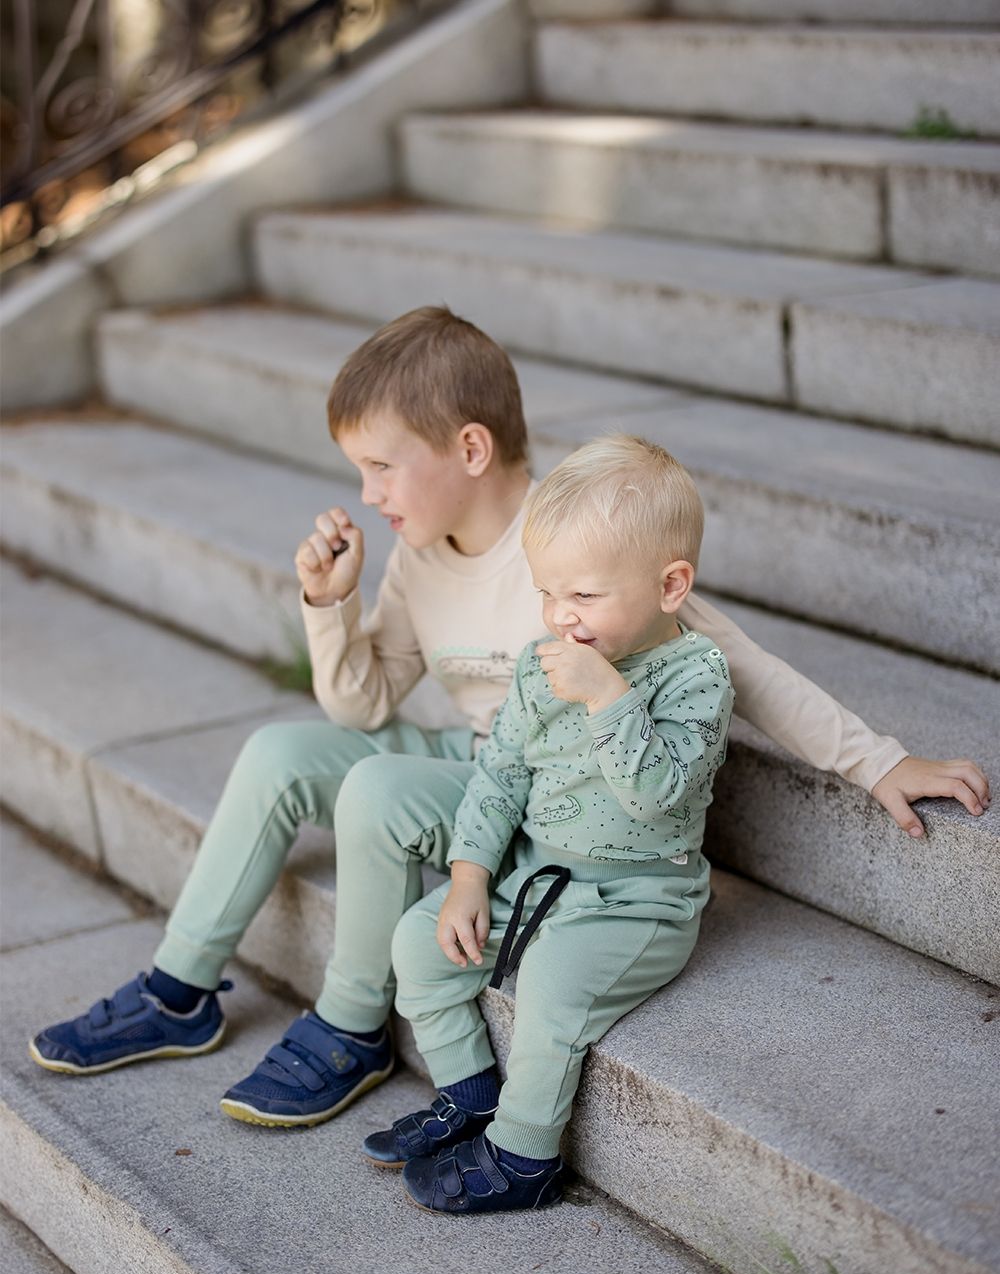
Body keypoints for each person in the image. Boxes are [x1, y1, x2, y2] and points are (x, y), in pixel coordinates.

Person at [29, 308, 990, 1124]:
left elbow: (744, 666)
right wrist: (331, 604)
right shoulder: (421, 554)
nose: (367, 494)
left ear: (470, 448)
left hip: (549, 786)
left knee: (377, 785)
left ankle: (353, 1025)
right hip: (472, 753)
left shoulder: (580, 541)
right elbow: (363, 701)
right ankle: (179, 989)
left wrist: (878, 761)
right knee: (279, 749)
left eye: (382, 466)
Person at [364, 435, 732, 1214]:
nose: (561, 616)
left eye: (585, 596)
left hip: (639, 898)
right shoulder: (541, 661)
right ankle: (471, 1095)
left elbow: (658, 793)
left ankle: (524, 1154)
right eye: (546, 593)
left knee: (554, 981)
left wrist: (607, 697)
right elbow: (500, 773)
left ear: (670, 585)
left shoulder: (697, 676)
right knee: (418, 943)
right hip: (536, 875)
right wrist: (470, 877)